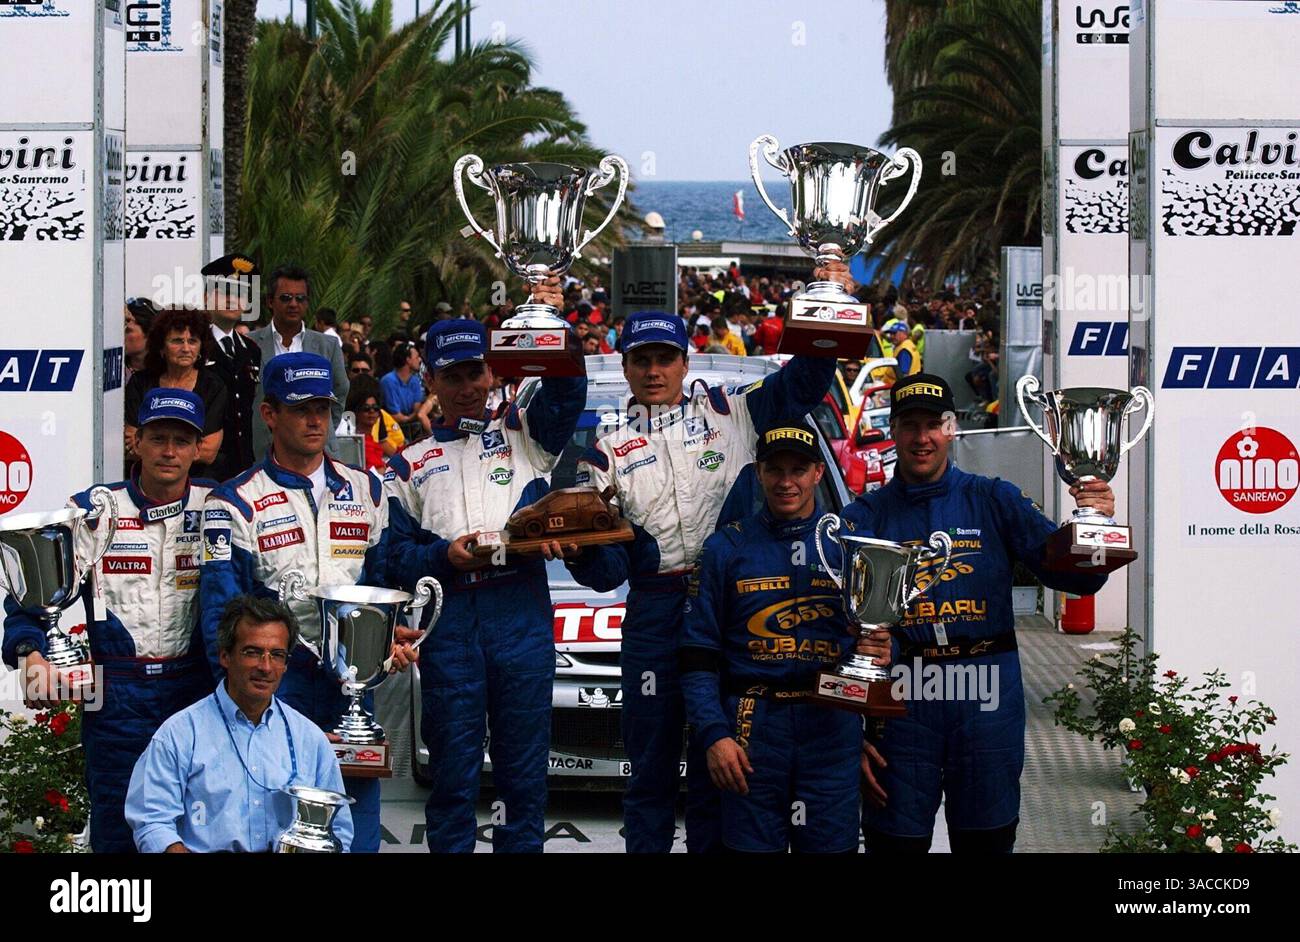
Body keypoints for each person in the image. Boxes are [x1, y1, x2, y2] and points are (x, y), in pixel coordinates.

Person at [564, 263, 844, 854]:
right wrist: (581, 555)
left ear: (685, 363)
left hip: (736, 607)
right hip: (657, 614)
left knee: (726, 770)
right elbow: (608, 572)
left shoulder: (732, 410)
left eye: (665, 358)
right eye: (641, 360)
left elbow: (805, 382)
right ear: (626, 366)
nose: (654, 371)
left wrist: (829, 300)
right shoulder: (606, 448)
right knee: (651, 774)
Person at [844, 374, 1113, 853]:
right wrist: (848, 732)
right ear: (894, 431)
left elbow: (1079, 579)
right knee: (894, 843)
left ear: (950, 428)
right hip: (904, 698)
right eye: (909, 425)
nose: (921, 438)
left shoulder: (994, 498)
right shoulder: (865, 515)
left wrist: (1097, 527)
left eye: (933, 424)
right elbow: (837, 632)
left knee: (986, 841)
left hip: (987, 692)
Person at [384, 290, 586, 854]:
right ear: (431, 380)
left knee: (524, 775)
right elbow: (392, 555)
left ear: (492, 373)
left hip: (518, 606)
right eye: (453, 377)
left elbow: (570, 387)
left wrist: (550, 320)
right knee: (452, 775)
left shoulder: (527, 435)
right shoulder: (408, 464)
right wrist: (441, 557)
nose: (467, 387)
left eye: (476, 373)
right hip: (450, 619)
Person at [199, 352, 413, 853]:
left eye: (323, 407)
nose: (316, 419)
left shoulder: (368, 490)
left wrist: (390, 642)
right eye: (301, 408)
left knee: (354, 824)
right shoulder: (233, 502)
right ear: (270, 415)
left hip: (352, 686)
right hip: (277, 681)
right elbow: (220, 614)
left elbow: (381, 586)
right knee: (276, 822)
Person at [3, 389, 215, 853]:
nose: (169, 451)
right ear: (135, 442)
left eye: (181, 441)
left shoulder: (218, 507)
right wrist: (33, 655)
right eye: (158, 437)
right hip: (118, 690)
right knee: (118, 824)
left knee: (197, 825)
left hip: (196, 687)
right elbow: (33, 600)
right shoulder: (95, 511)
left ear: (198, 449)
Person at [680, 423, 891, 853]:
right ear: (758, 473)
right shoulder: (726, 549)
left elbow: (883, 645)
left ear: (818, 472)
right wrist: (715, 735)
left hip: (830, 730)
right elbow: (696, 657)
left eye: (798, 469)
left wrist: (883, 651)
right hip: (751, 731)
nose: (786, 482)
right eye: (775, 470)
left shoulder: (851, 550)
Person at [125, 596, 353, 853]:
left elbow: (339, 832)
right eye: (252, 652)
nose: (265, 667)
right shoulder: (178, 735)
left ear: (286, 664)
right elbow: (153, 823)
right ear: (225, 656)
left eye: (276, 655)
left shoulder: (310, 739)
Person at [248, 265, 349, 462]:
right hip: (262, 453)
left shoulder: (327, 345)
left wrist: (321, 427)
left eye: (300, 298)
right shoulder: (250, 344)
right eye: (286, 298)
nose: (293, 304)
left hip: (319, 456)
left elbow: (340, 390)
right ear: (270, 301)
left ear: (307, 303)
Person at [125, 307, 228, 478]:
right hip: (145, 481)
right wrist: (187, 446)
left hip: (198, 482)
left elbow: (209, 452)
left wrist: (153, 446)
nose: (186, 348)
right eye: (177, 341)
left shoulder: (213, 386)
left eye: (193, 341)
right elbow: (130, 444)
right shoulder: (140, 382)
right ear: (161, 347)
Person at [203, 254, 263, 482]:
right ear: (206, 297)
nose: (231, 300)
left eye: (239, 294)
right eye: (224, 292)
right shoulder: (197, 345)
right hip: (205, 467)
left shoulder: (251, 349)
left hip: (244, 465)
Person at [346, 377, 404, 469]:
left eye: (376, 408)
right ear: (355, 411)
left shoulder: (373, 439)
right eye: (366, 408)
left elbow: (384, 443)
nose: (372, 411)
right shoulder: (354, 444)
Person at [379, 340, 424, 427]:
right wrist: (413, 416)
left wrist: (410, 417)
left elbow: (417, 409)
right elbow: (396, 416)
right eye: (417, 357)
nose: (420, 359)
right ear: (408, 360)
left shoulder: (415, 380)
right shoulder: (388, 381)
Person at [124, 297, 157, 386]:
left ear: (149, 333)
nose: (121, 336)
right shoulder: (113, 370)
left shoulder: (166, 375)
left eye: (128, 331)